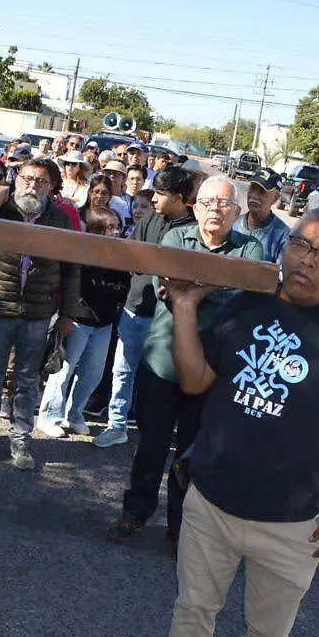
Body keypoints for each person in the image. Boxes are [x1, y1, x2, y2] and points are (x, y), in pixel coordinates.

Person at [164, 208, 319, 637]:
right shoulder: (246, 304)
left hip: (290, 523)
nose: (307, 260)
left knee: (268, 636)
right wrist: (183, 306)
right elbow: (195, 380)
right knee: (193, 612)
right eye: (300, 244)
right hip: (210, 503)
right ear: (284, 246)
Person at [107, 176, 263, 552]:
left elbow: (242, 302)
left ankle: (181, 527)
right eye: (208, 202)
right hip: (162, 361)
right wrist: (214, 285)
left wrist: (193, 289)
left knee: (193, 455)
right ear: (195, 206)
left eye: (225, 204)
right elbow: (170, 284)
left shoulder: (250, 249)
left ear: (237, 212)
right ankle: (136, 512)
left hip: (212, 372)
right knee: (151, 447)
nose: (215, 210)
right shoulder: (176, 238)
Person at [0, 159, 80, 470]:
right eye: (26, 178)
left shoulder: (60, 220)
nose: (31, 185)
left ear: (51, 188)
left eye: (40, 181)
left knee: (28, 380)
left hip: (38, 313)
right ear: (16, 180)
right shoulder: (1, 211)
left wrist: (67, 314)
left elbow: (71, 272)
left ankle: (21, 440)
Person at [98, 167, 197, 449]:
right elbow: (132, 254)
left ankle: (154, 436)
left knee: (158, 381)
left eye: (161, 194)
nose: (154, 199)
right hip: (133, 309)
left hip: (164, 319)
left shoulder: (193, 230)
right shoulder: (150, 219)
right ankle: (117, 426)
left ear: (178, 197)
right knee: (123, 372)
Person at [36, 206, 129, 439]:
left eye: (118, 227)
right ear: (97, 230)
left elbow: (122, 289)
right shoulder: (83, 257)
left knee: (93, 373)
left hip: (104, 323)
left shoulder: (120, 258)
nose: (116, 232)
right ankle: (49, 416)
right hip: (77, 321)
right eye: (110, 228)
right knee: (63, 370)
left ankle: (75, 414)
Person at [235, 167, 291, 262]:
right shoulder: (232, 223)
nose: (254, 196)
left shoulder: (283, 237)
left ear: (275, 198)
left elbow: (281, 273)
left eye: (262, 191)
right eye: (252, 188)